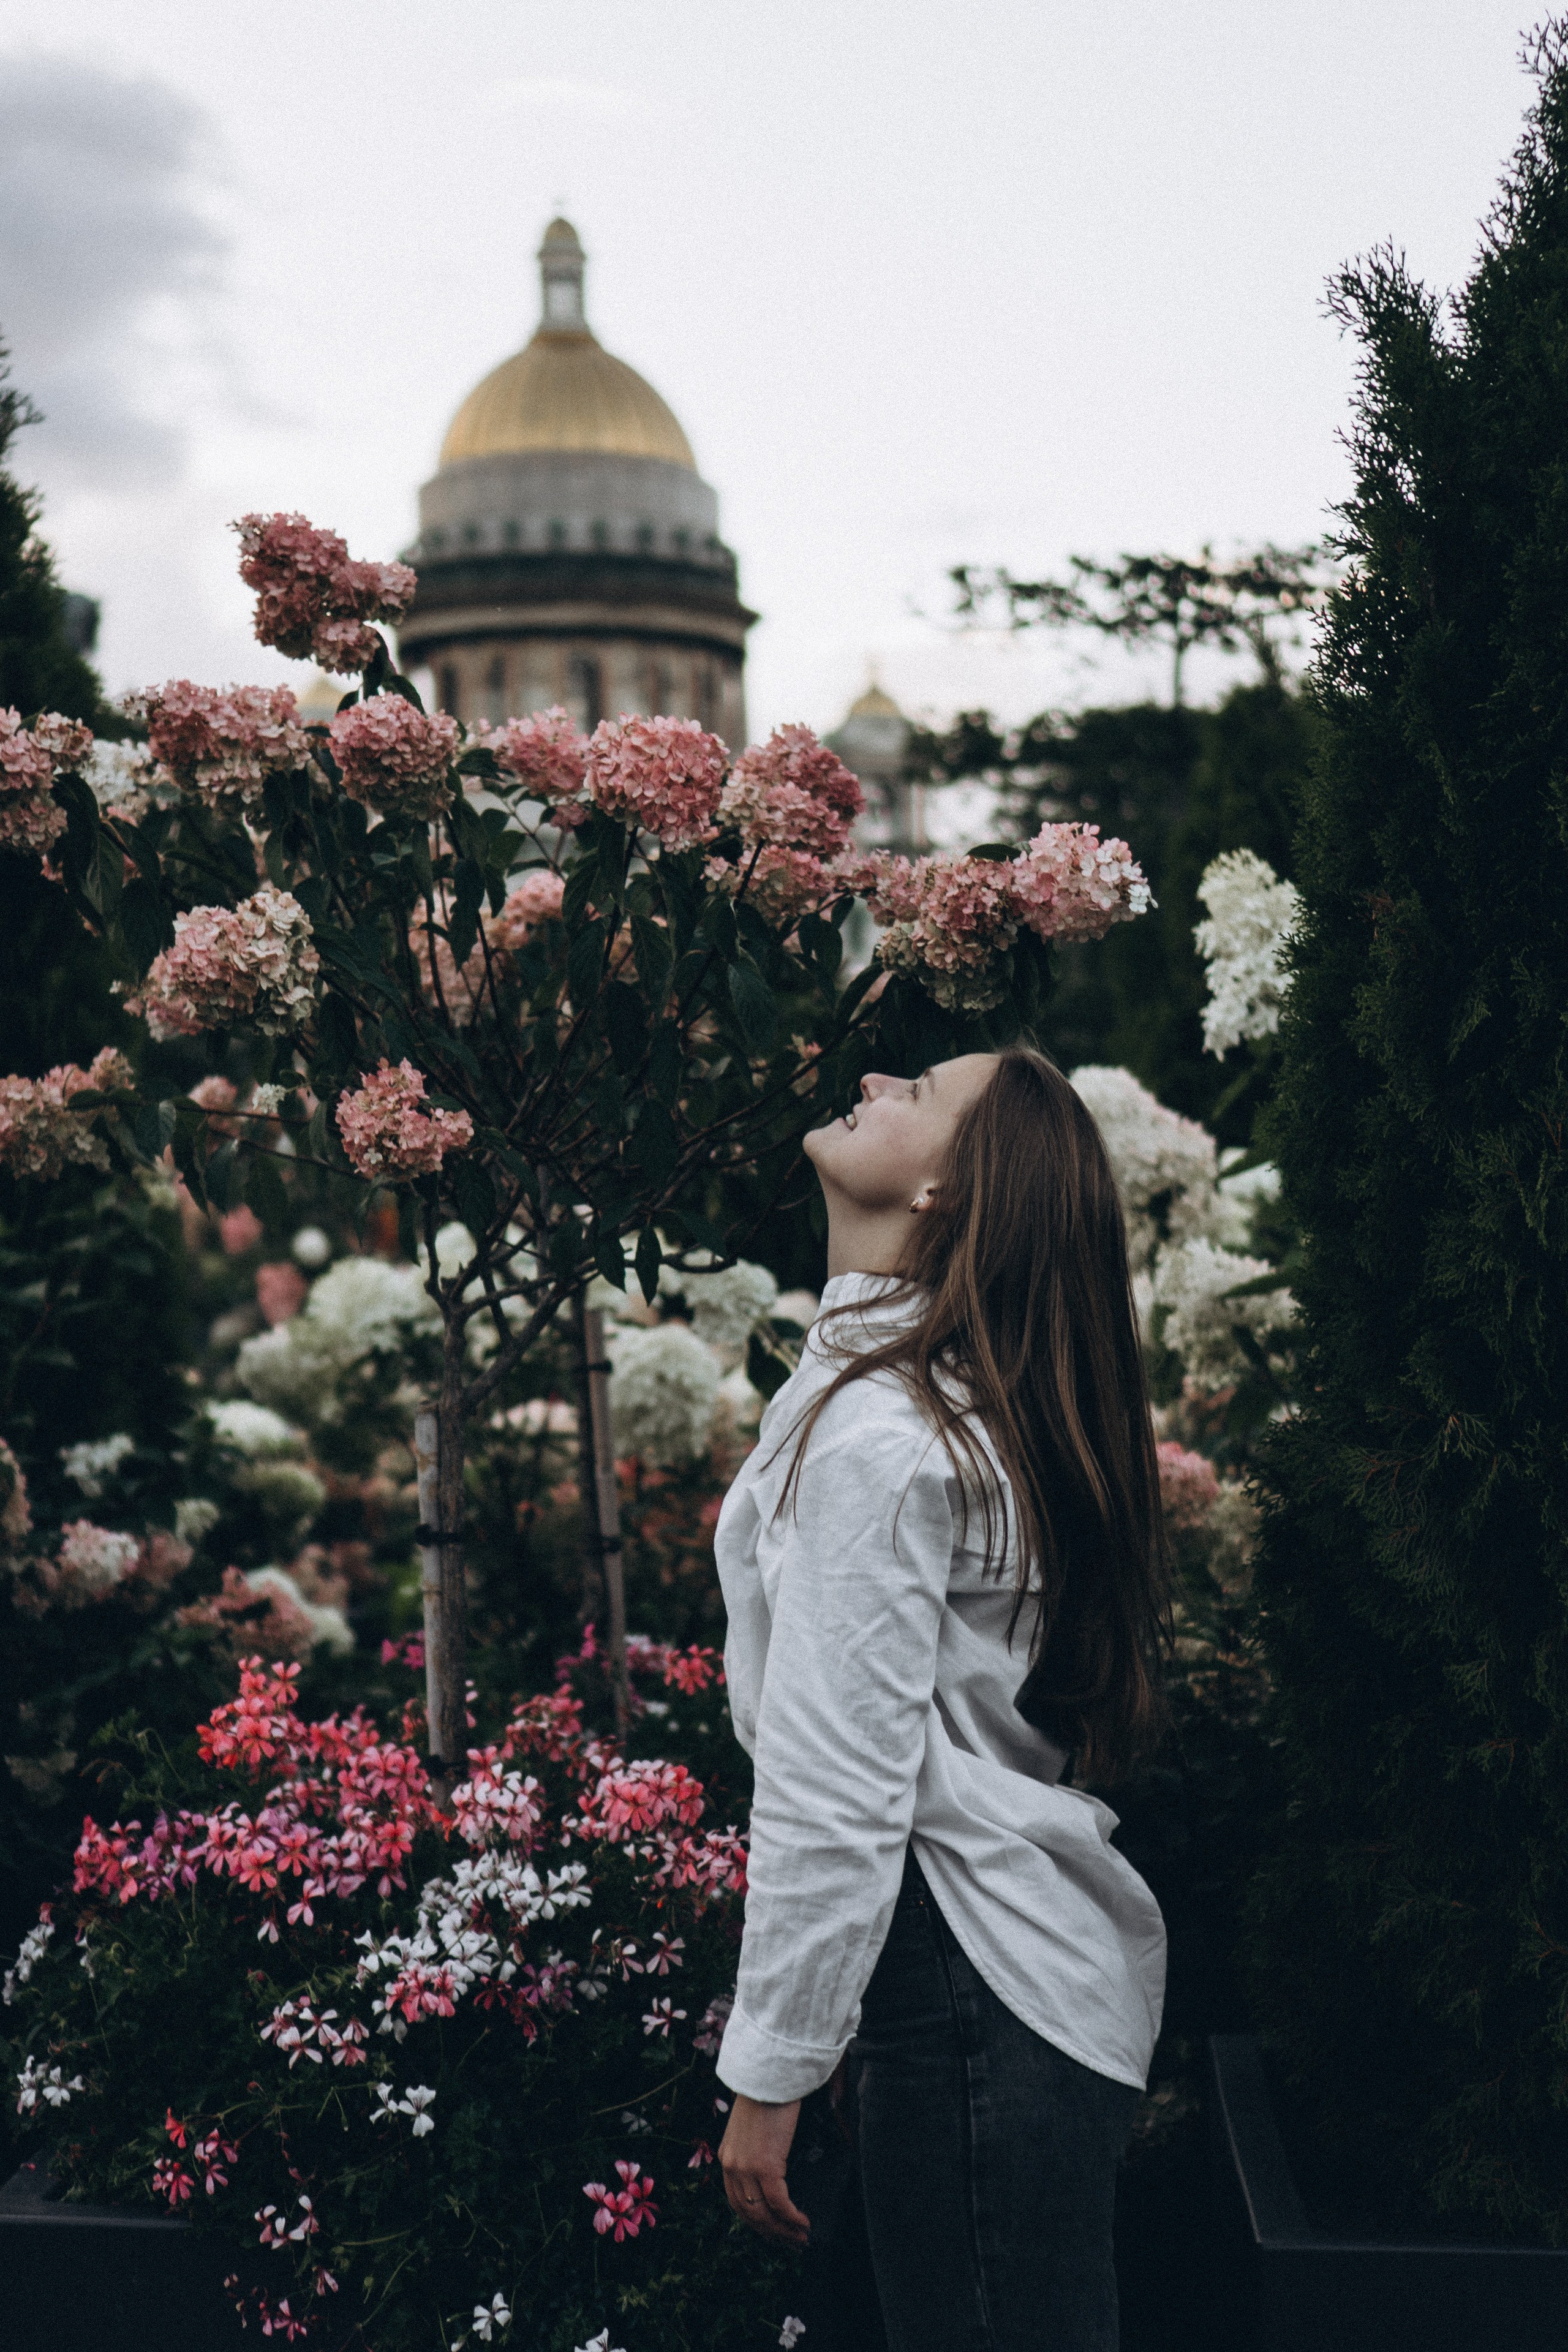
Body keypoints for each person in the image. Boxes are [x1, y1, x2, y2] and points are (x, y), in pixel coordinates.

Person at [714, 1049, 1170, 2352]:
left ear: (946, 1191)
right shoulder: (915, 1402)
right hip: (991, 1990)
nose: (872, 1076)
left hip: (967, 1984)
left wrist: (773, 2069)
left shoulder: (883, 1434)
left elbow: (838, 1784)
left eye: (915, 1089)